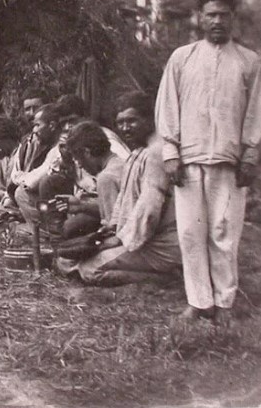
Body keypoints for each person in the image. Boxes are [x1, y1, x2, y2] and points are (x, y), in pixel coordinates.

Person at [155, 0, 261, 324]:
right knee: (190, 233)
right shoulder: (182, 58)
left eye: (223, 15)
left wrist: (250, 155)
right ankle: (199, 302)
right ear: (200, 18)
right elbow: (168, 106)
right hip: (188, 160)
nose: (217, 21)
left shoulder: (249, 62)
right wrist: (170, 152)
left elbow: (257, 112)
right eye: (211, 15)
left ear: (233, 18)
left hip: (229, 163)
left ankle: (225, 302)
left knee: (225, 234)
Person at [65, 92, 182, 286]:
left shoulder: (156, 153)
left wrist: (120, 239)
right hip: (143, 240)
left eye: (132, 121)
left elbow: (148, 210)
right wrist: (112, 228)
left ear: (149, 119)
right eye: (121, 122)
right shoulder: (137, 152)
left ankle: (166, 278)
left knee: (89, 269)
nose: (125, 128)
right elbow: (123, 200)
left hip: (162, 244)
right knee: (73, 260)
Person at [51, 121, 126, 241]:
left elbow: (114, 228)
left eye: (78, 159)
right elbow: (118, 207)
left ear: (87, 152)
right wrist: (81, 205)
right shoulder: (119, 163)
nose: (80, 166)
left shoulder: (106, 178)